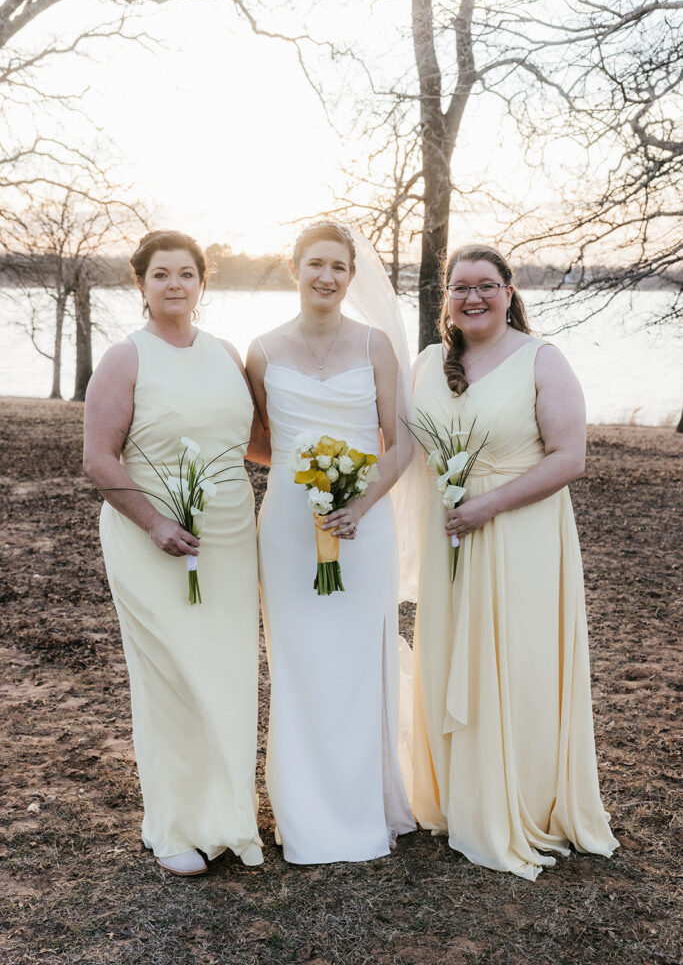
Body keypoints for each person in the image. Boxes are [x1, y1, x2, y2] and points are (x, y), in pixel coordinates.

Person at [411, 244, 618, 880]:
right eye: (459, 287)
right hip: (448, 534)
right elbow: (398, 446)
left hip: (520, 533)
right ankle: (459, 797)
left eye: (485, 285)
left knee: (518, 661)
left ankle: (519, 801)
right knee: (451, 657)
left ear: (508, 291)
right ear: (445, 298)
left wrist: (488, 506)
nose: (472, 297)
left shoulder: (541, 359)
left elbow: (568, 457)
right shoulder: (425, 363)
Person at [83, 230, 263, 876]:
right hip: (150, 539)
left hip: (229, 539)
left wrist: (325, 469)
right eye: (161, 274)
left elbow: (253, 443)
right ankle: (173, 826)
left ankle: (227, 815)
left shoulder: (224, 353)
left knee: (228, 672)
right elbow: (98, 458)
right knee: (172, 678)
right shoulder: (125, 358)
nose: (175, 285)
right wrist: (155, 522)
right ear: (141, 284)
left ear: (202, 282)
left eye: (187, 273)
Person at [246, 221, 415, 864]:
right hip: (288, 528)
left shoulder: (375, 346)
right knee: (297, 660)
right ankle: (304, 815)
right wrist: (302, 474)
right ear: (295, 269)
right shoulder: (260, 350)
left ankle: (359, 809)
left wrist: (358, 501)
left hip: (364, 524)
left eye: (338, 267)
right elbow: (256, 438)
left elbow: (400, 441)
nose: (327, 276)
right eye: (315, 264)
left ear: (351, 275)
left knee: (354, 660)